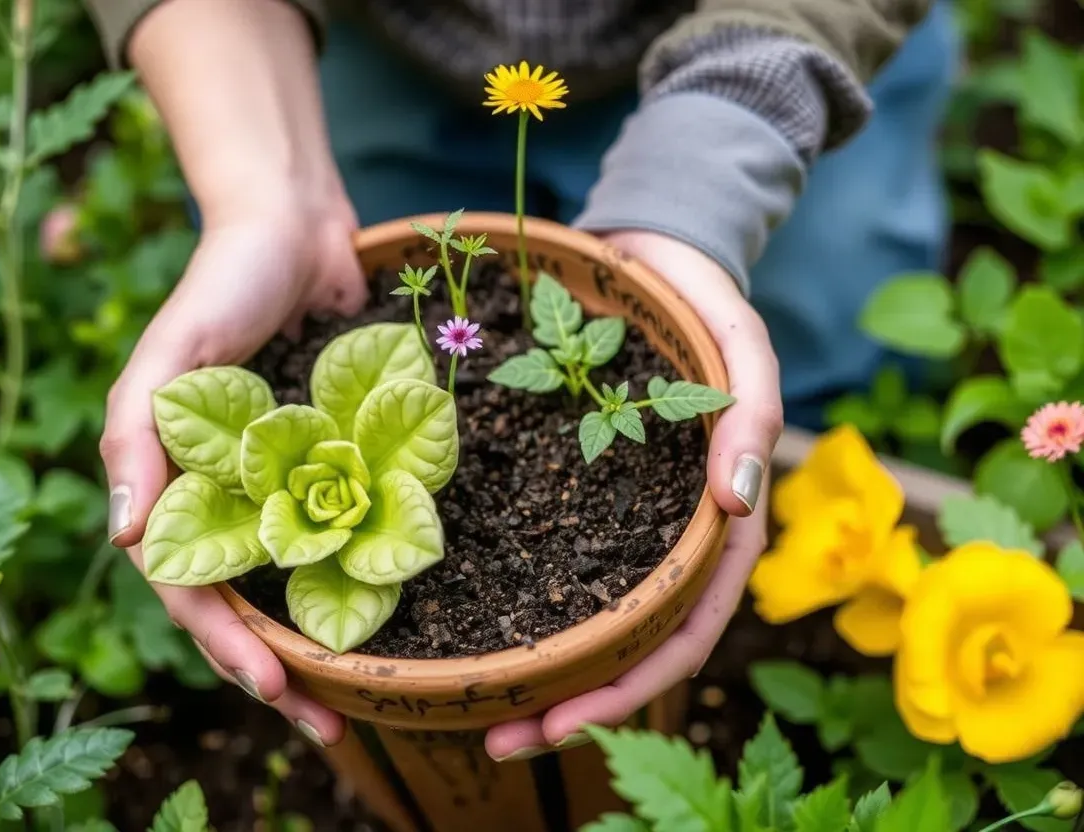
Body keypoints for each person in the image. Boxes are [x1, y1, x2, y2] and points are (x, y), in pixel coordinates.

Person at [88, 0, 957, 761]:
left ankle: (820, 482)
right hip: (350, 40)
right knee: (314, 281)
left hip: (775, 34)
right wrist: (265, 190)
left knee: (833, 316)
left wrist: (693, 206)